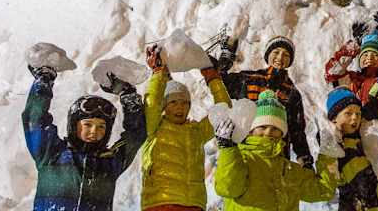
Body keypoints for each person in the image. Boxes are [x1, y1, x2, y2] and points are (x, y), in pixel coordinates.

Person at [22, 65, 146, 211]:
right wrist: (44, 80)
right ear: (74, 126)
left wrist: (128, 96)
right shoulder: (51, 153)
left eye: (101, 127)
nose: (94, 131)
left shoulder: (111, 162)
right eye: (87, 124)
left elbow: (136, 134)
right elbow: (35, 119)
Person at [212, 90, 338, 210]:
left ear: (282, 133)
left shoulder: (289, 169)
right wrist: (227, 149)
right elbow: (228, 188)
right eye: (263, 127)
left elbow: (323, 190)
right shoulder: (242, 160)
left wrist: (328, 151)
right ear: (251, 130)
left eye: (275, 128)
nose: (268, 132)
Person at [140, 44, 231, 211]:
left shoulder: (197, 131)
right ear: (164, 106)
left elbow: (224, 111)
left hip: (194, 204)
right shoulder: (154, 127)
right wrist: (159, 73)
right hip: (160, 202)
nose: (179, 107)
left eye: (184, 103)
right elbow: (151, 103)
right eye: (173, 102)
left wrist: (213, 78)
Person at [218, 35, 313, 167]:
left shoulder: (292, 93)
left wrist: (304, 158)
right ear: (268, 55)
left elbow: (297, 130)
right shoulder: (249, 78)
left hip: (277, 156)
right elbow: (219, 83)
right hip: (245, 151)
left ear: (290, 61)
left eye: (286, 55)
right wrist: (225, 59)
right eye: (276, 52)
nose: (280, 57)